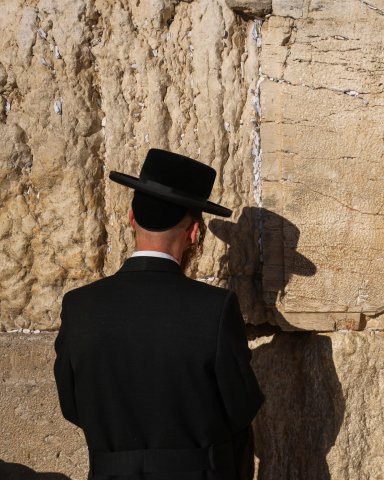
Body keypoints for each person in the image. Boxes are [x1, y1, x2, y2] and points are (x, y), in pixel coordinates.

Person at [54, 149, 265, 480]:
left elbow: (72, 405)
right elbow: (240, 408)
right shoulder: (215, 308)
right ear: (194, 232)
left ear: (131, 218)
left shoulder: (79, 306)